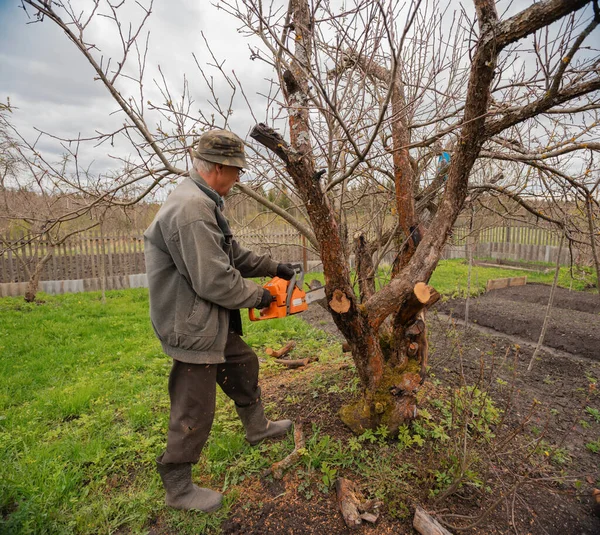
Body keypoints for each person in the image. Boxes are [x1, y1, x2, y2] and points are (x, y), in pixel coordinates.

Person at [144, 129, 295, 512]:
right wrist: (259, 296)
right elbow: (213, 278)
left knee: (243, 364)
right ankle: (178, 487)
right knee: (194, 406)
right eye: (237, 170)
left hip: (206, 318)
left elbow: (231, 254)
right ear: (218, 168)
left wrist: (272, 267)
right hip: (191, 323)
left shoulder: (203, 199)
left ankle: (257, 429)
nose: (240, 178)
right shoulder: (192, 210)